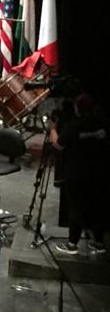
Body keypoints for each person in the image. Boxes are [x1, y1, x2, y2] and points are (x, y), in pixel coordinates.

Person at [52, 94, 107, 254]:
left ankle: (72, 244)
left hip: (77, 172)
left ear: (78, 108)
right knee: (98, 206)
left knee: (75, 207)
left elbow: (59, 144)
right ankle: (98, 243)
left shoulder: (74, 125)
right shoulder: (102, 122)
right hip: (99, 171)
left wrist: (52, 130)